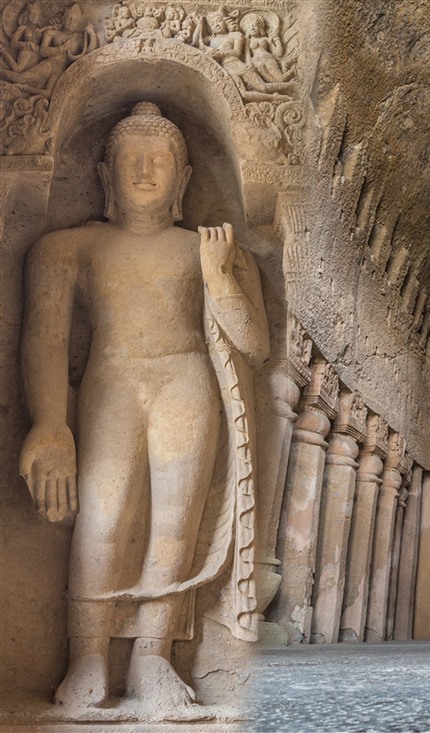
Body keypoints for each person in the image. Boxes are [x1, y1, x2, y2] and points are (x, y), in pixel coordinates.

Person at [19, 102, 268, 709]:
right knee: (101, 520)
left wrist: (218, 277)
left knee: (173, 524)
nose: (146, 171)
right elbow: (45, 337)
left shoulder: (211, 248)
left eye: (160, 160)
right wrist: (49, 425)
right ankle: (88, 657)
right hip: (113, 382)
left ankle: (154, 658)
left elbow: (255, 344)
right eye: (132, 158)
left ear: (182, 179)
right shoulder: (67, 248)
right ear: (107, 175)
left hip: (185, 382)